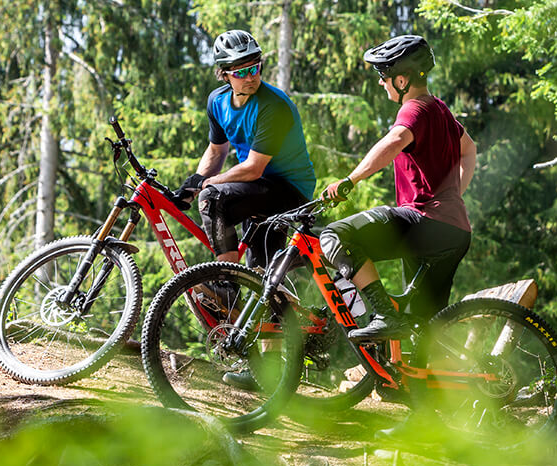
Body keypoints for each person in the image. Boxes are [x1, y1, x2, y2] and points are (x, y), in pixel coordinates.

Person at [321, 34, 475, 343]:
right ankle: (425, 382)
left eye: (384, 77)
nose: (382, 83)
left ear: (402, 80)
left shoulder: (414, 109)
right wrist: (455, 193)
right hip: (455, 232)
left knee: (335, 235)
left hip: (424, 221)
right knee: (424, 327)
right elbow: (469, 149)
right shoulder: (440, 109)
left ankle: (383, 314)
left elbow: (394, 141)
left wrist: (351, 179)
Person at [175, 29, 316, 269]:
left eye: (255, 68)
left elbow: (253, 169)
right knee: (261, 278)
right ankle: (247, 296)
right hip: (256, 190)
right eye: (241, 72)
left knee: (214, 198)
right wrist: (196, 182)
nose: (250, 77)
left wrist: (208, 185)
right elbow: (217, 151)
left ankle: (227, 283)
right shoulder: (217, 102)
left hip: (290, 191)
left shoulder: (274, 105)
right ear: (224, 74)